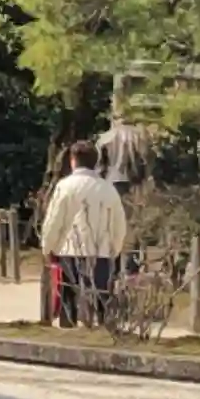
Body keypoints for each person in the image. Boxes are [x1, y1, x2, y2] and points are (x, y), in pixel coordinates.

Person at [39, 140, 128, 327]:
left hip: (70, 248)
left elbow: (54, 220)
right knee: (101, 295)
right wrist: (115, 247)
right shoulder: (107, 188)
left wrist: (47, 246)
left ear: (73, 160)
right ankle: (103, 328)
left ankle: (68, 327)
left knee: (68, 295)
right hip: (101, 250)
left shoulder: (65, 186)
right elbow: (119, 222)